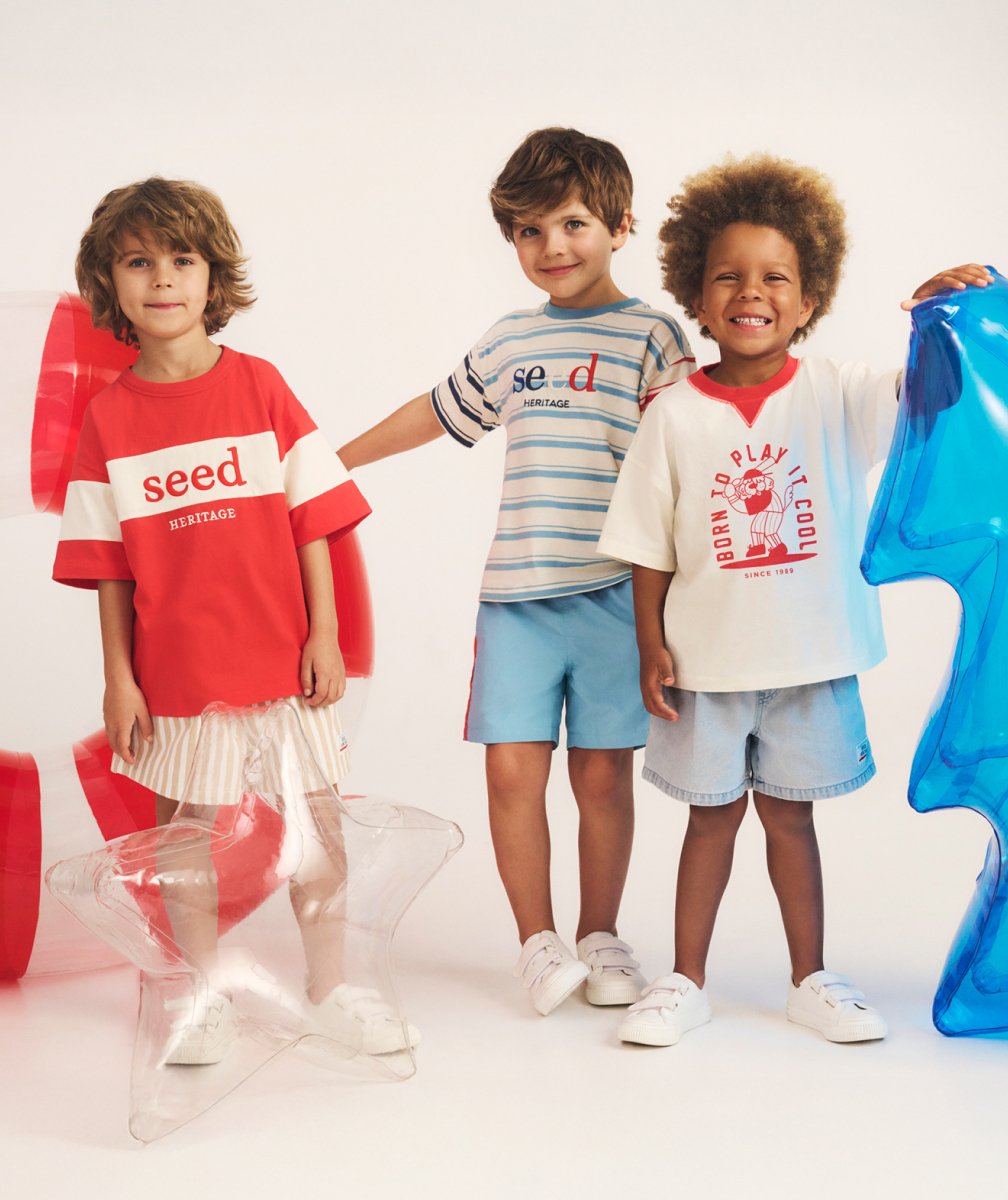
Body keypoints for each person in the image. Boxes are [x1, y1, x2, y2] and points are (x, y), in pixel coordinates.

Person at [598, 153, 991, 1046]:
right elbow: (648, 544)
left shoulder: (836, 392)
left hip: (809, 661)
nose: (752, 292)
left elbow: (930, 392)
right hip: (705, 668)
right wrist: (649, 643)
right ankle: (686, 980)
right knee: (709, 822)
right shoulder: (673, 413)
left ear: (809, 300)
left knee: (790, 819)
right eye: (727, 277)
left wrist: (940, 312)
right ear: (696, 299)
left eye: (776, 277)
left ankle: (810, 978)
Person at [52, 177, 412, 1062]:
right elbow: (110, 571)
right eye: (139, 262)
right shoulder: (108, 420)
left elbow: (312, 522)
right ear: (111, 283)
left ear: (213, 277)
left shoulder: (260, 385)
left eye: (182, 259)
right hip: (179, 675)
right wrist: (120, 678)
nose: (162, 280)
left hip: (285, 664)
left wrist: (323, 634)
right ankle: (200, 992)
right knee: (186, 842)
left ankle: (332, 987)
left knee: (319, 832)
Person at [338, 128, 695, 1015]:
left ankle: (601, 933)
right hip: (517, 602)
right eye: (529, 232)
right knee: (510, 772)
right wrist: (332, 461)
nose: (551, 247)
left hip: (617, 599)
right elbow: (435, 411)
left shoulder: (653, 336)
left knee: (602, 777)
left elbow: (692, 455)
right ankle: (537, 944)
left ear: (619, 225)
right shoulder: (511, 342)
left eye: (572, 224)